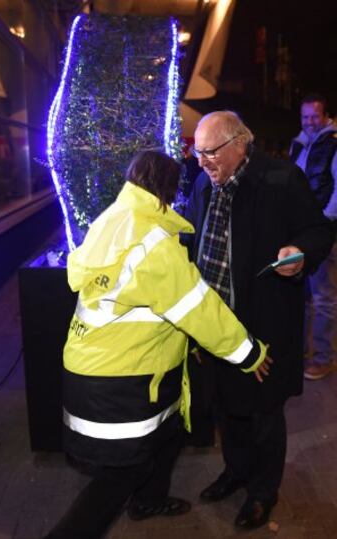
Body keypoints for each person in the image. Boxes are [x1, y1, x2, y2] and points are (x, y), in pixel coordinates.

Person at [44, 149, 271, 539]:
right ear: (169, 190)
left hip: (96, 367)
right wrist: (249, 352)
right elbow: (201, 310)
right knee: (120, 476)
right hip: (121, 381)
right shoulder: (155, 244)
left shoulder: (112, 220)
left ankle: (149, 500)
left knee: (167, 434)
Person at [181, 111, 333, 530]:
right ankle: (236, 472)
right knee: (226, 405)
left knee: (265, 410)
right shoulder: (201, 183)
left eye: (209, 152)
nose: (201, 162)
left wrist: (299, 253)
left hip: (262, 322)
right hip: (214, 324)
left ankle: (263, 492)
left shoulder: (281, 180)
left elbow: (319, 231)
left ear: (239, 144)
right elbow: (193, 236)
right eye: (197, 153)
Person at [290, 93, 337, 380]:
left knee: (323, 297)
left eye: (314, 116)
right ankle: (306, 352)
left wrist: (324, 223)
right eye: (305, 116)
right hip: (304, 229)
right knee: (306, 296)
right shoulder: (301, 145)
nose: (309, 122)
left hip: (324, 228)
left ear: (325, 116)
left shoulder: (332, 143)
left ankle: (324, 357)